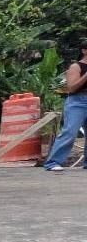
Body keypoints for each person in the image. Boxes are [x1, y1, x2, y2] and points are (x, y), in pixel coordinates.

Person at [42, 40, 87, 172]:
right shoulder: (76, 66)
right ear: (84, 51)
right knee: (70, 132)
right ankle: (53, 162)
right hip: (77, 102)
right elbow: (71, 88)